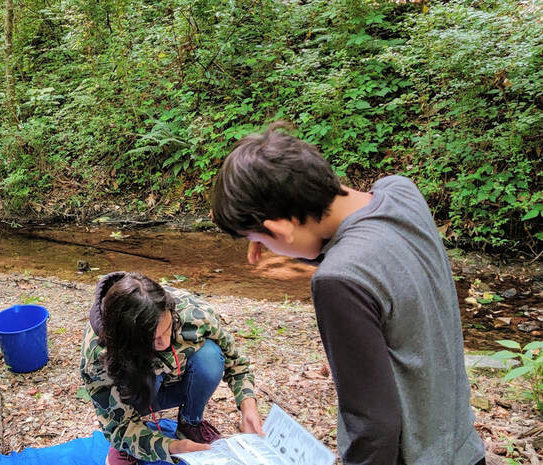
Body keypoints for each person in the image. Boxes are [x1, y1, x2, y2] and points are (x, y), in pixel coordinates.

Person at [210, 122, 486, 465]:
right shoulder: (400, 192)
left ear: (280, 228)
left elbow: (373, 426)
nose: (262, 249)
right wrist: (286, 242)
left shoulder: (338, 282)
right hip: (462, 446)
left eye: (260, 241)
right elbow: (369, 250)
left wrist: (292, 245)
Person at [80, 272, 263, 465]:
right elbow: (116, 426)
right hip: (134, 392)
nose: (165, 342)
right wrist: (170, 447)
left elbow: (236, 362)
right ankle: (129, 445)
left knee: (211, 355)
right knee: (127, 423)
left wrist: (248, 406)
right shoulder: (98, 355)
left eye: (168, 329)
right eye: (153, 339)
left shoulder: (193, 312)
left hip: (175, 379)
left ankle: (190, 423)